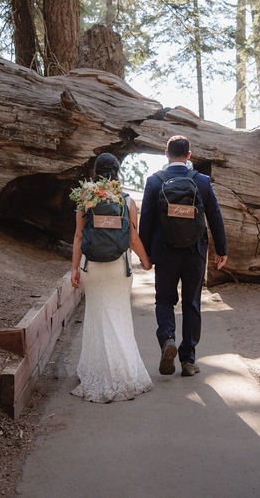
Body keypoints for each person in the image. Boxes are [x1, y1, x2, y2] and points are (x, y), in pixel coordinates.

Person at [138, 135, 228, 377]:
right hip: (194, 253)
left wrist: (145, 254)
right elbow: (215, 217)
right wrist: (222, 250)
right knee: (192, 302)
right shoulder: (202, 182)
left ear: (166, 155)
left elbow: (145, 220)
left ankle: (168, 337)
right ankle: (188, 360)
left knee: (164, 300)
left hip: (165, 252)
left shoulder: (155, 181)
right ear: (189, 155)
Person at [69, 153, 154, 402]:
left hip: (92, 268)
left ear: (95, 171)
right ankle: (123, 372)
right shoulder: (126, 200)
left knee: (96, 316)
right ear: (117, 171)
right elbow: (133, 239)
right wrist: (146, 260)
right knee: (119, 317)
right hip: (118, 267)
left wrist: (74, 269)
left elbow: (77, 236)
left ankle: (95, 371)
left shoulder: (86, 200)